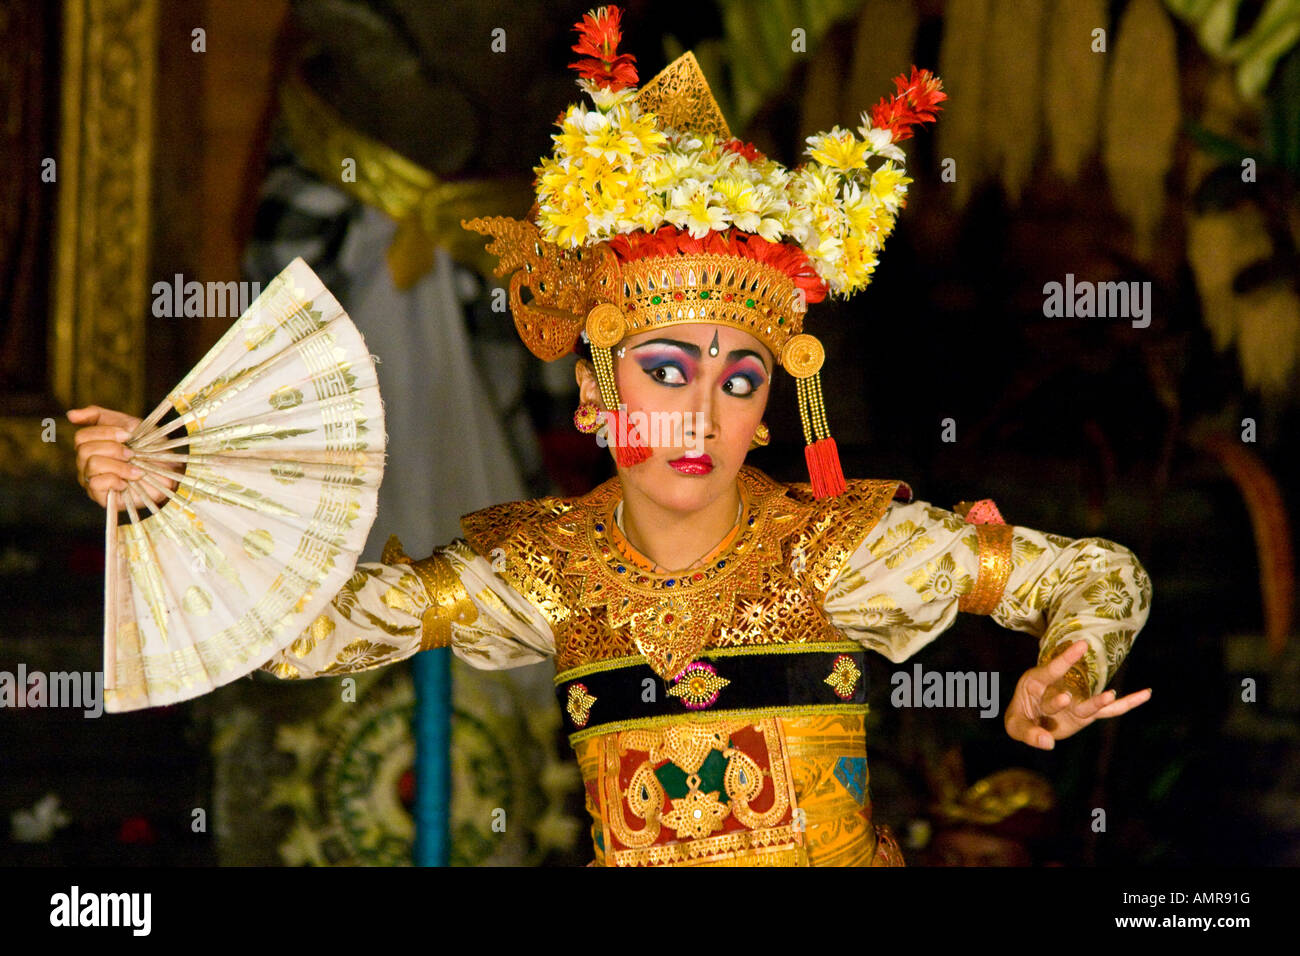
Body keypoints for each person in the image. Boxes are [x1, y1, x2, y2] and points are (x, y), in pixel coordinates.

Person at [69, 6, 1151, 867]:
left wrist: (1069, 659)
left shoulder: (843, 551)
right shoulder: (543, 568)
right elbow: (304, 631)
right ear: (593, 390)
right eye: (666, 369)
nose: (699, 413)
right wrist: (165, 486)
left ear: (771, 401)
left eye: (738, 378)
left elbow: (1101, 575)